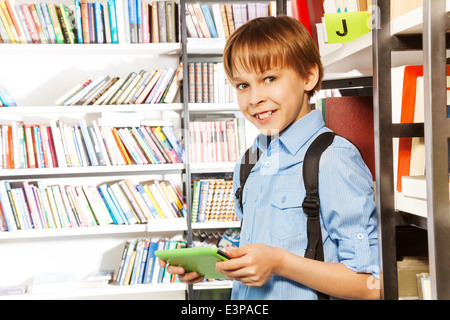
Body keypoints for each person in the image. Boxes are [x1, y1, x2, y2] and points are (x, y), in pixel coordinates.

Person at [161, 15, 380, 300]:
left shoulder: (332, 158)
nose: (254, 98)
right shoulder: (249, 160)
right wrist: (215, 265)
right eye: (242, 85)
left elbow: (371, 285)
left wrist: (281, 263)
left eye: (269, 79)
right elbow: (259, 255)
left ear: (308, 76)